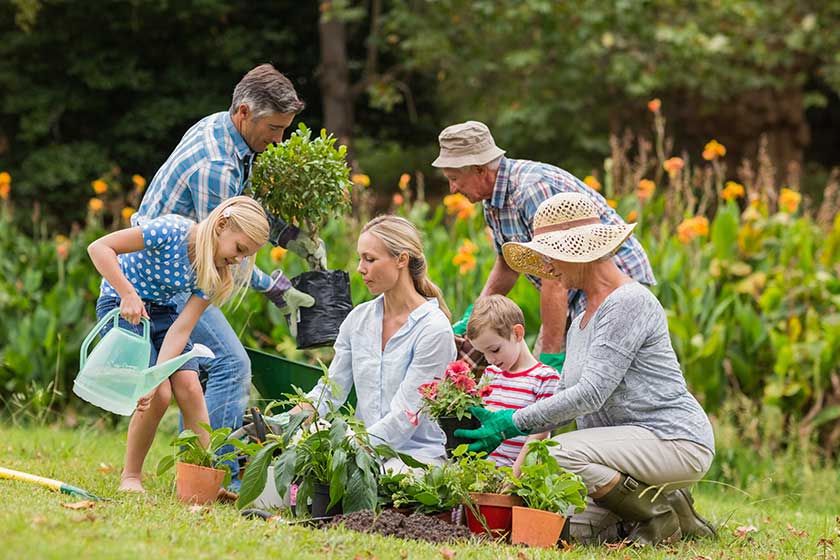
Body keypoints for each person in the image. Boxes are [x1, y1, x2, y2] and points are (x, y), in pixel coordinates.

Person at [455, 193, 716, 546]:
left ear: (576, 251)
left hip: (672, 438)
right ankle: (670, 505)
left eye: (550, 256)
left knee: (559, 453)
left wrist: (511, 423)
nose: (547, 267)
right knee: (569, 527)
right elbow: (563, 398)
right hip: (621, 456)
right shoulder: (580, 319)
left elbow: (591, 394)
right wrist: (508, 446)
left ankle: (659, 516)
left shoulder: (628, 302)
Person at [133, 64, 319, 488]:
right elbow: (220, 253)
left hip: (177, 266)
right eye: (274, 127)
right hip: (163, 274)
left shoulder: (223, 129)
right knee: (230, 366)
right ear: (243, 111)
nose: (279, 139)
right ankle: (220, 476)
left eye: (285, 128)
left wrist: (290, 236)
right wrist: (273, 286)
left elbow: (242, 216)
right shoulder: (215, 164)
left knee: (208, 368)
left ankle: (200, 471)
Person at [432, 120, 655, 374]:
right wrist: (474, 316)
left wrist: (550, 358)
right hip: (571, 284)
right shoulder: (492, 201)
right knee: (545, 379)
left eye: (454, 178)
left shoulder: (530, 189)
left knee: (584, 375)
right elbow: (507, 264)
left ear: (481, 170)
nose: (452, 188)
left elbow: (555, 275)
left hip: (610, 277)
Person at [87, 196, 269, 492]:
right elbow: (99, 247)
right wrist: (127, 294)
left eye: (245, 255)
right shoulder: (171, 231)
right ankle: (130, 477)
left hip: (164, 315)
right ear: (221, 225)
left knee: (190, 387)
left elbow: (181, 329)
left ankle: (204, 480)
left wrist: (156, 372)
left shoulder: (213, 273)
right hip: (122, 307)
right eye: (239, 249)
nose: (238, 260)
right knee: (158, 394)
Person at [290, 215, 456, 467]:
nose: (360, 268)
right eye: (360, 258)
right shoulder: (358, 320)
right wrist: (287, 422)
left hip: (414, 457)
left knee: (386, 482)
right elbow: (331, 389)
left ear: (401, 259)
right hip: (362, 449)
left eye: (370, 259)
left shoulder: (433, 329)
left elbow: (406, 414)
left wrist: (350, 448)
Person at [465, 294, 558, 474]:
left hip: (521, 476)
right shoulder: (491, 374)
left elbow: (537, 437)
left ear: (517, 333)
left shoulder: (545, 378)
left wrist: (512, 481)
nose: (490, 359)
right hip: (485, 472)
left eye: (494, 350)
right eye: (483, 354)